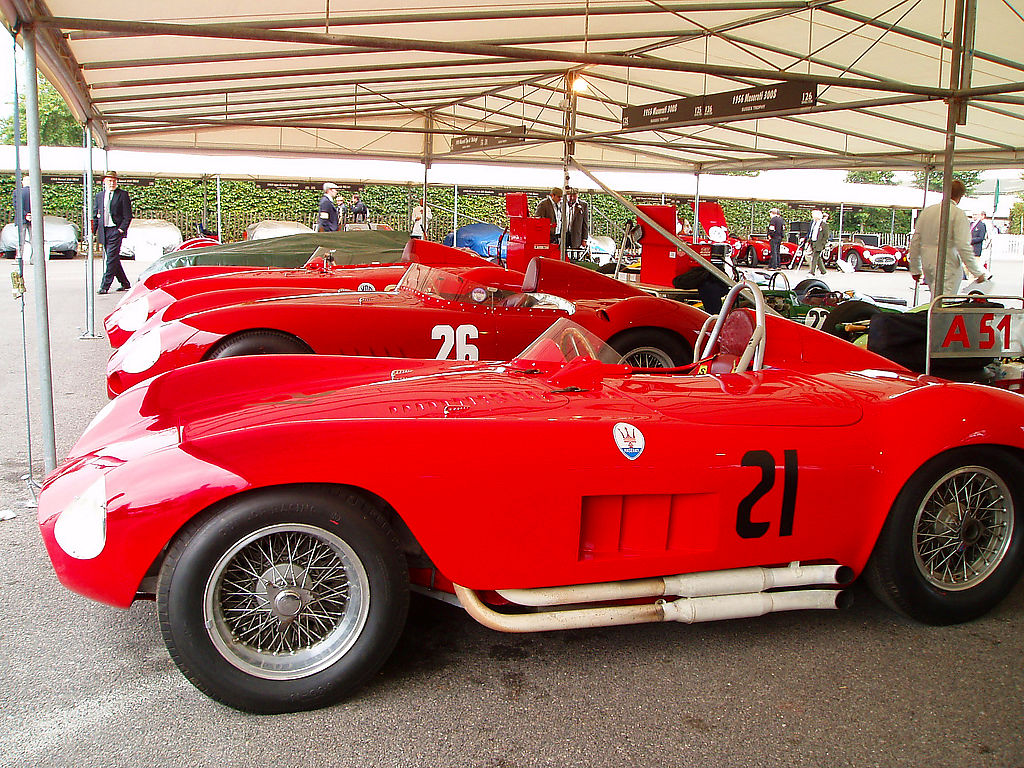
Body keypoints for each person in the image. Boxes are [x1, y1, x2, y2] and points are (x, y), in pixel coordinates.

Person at [909, 179, 988, 298]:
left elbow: (915, 241)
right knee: (945, 303)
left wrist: (915, 268)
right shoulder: (958, 214)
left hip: (928, 262)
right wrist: (977, 272)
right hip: (947, 263)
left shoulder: (927, 212)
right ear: (961, 196)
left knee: (935, 299)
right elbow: (963, 246)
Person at [92, 171, 132, 294]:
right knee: (113, 258)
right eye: (109, 181)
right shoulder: (99, 196)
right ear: (104, 182)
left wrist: (121, 229)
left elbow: (128, 215)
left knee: (110, 259)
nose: (112, 183)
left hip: (115, 230)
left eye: (114, 181)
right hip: (104, 231)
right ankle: (125, 283)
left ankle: (105, 286)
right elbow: (95, 214)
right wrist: (93, 232)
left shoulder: (122, 195)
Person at [806, 208, 830, 276]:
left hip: (819, 243)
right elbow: (812, 232)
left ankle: (812, 272)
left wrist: (822, 244)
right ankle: (823, 271)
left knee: (814, 257)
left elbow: (826, 236)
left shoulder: (824, 224)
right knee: (818, 258)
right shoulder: (814, 223)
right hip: (813, 242)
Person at [565, 188, 589, 253]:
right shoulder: (562, 204)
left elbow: (585, 223)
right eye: (570, 195)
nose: (572, 197)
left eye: (574, 195)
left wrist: (584, 239)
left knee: (575, 253)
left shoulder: (583, 205)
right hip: (564, 234)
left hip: (576, 235)